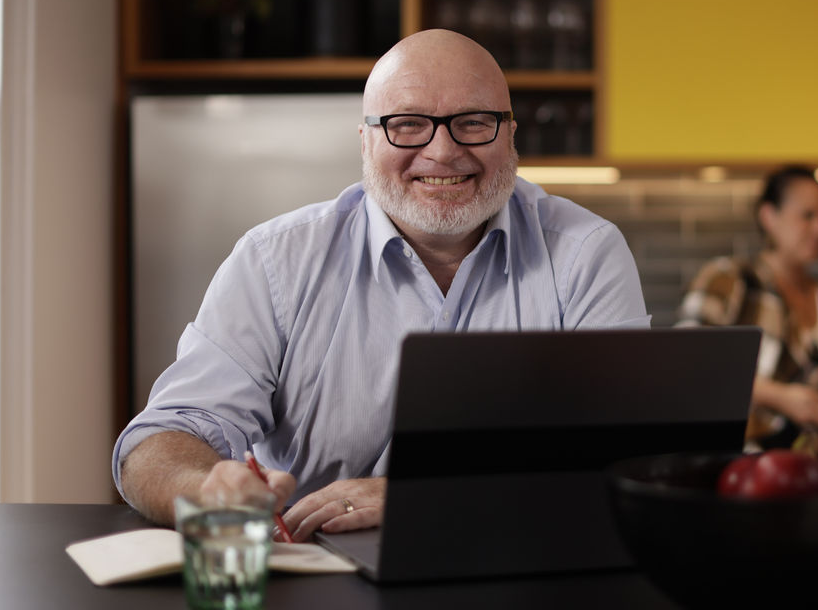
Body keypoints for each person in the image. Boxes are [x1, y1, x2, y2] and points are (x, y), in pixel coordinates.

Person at [113, 29, 650, 540]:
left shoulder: (585, 254)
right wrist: (208, 491)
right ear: (366, 140)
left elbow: (630, 463)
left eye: (474, 121)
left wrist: (424, 499)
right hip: (313, 577)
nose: (442, 151)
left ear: (510, 134)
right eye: (408, 123)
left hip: (521, 573)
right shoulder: (274, 261)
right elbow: (159, 440)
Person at [676, 165, 818, 448]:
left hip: (810, 466)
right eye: (808, 216)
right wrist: (778, 396)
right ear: (769, 216)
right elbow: (686, 363)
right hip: (737, 460)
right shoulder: (728, 280)